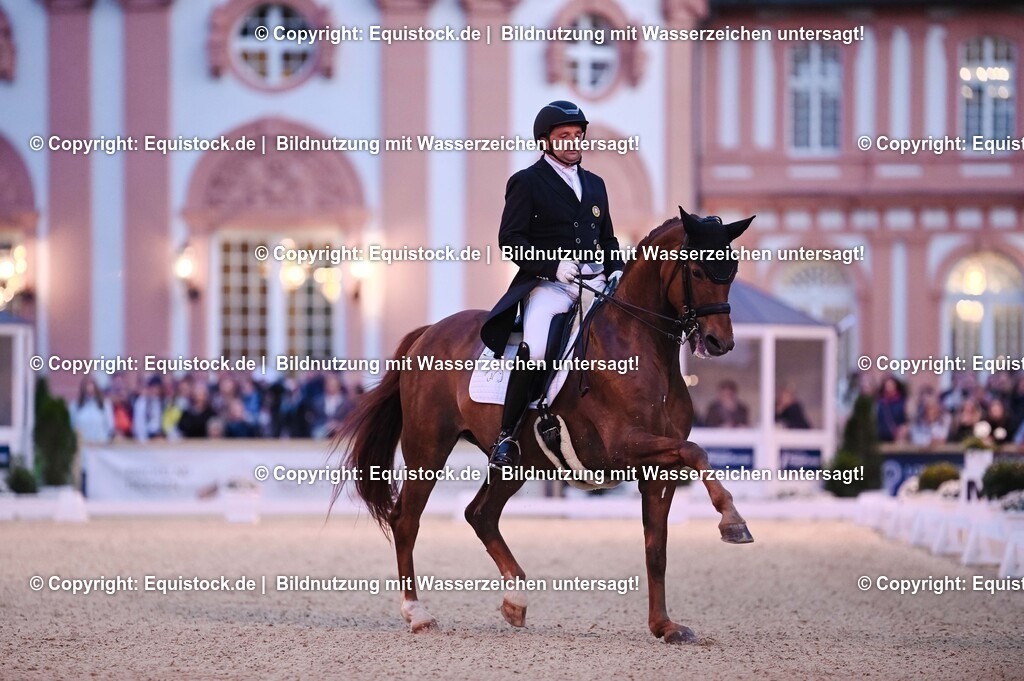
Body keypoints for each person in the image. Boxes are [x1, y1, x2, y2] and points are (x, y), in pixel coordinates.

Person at [480, 100, 625, 469]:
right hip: (549, 285)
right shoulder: (527, 182)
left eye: (578, 136)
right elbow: (510, 239)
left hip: (593, 281)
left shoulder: (595, 184)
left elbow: (606, 239)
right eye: (564, 137)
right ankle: (506, 438)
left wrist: (616, 269)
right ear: (545, 141)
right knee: (538, 350)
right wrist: (552, 267)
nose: (573, 143)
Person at [70, 377, 115, 444]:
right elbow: (72, 426)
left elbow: (110, 426)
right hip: (83, 445)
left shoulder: (104, 405)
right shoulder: (75, 406)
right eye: (86, 387)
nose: (89, 391)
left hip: (101, 444)